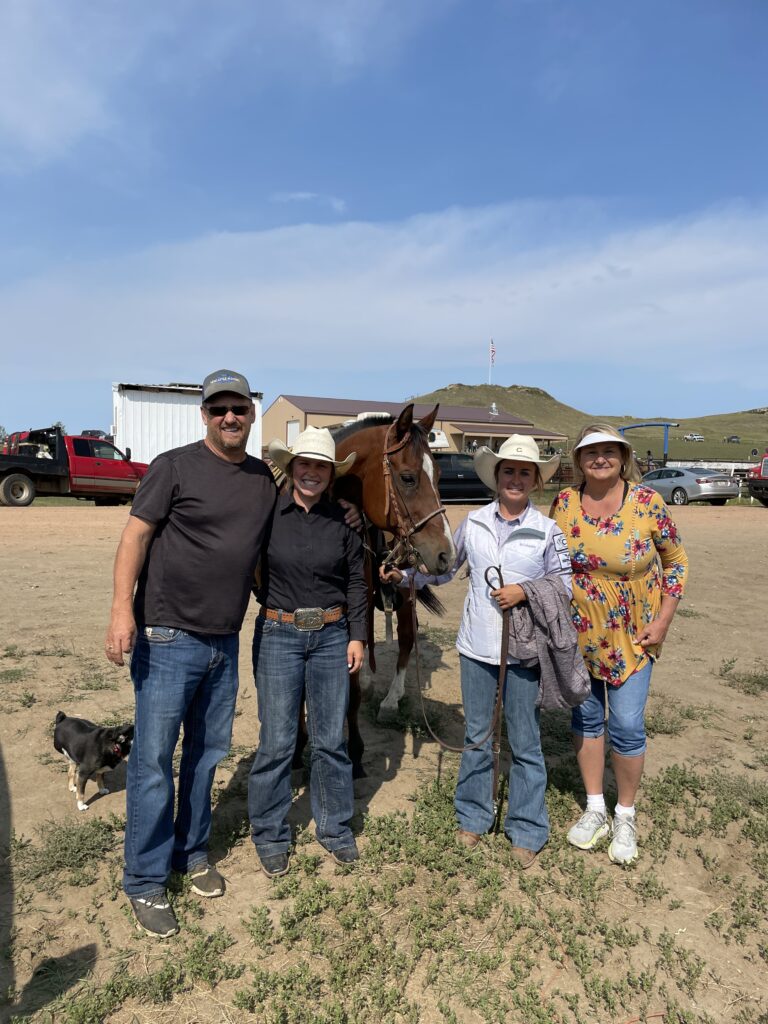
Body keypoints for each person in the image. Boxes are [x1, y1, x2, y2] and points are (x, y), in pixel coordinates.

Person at [105, 368, 278, 938]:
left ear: (252, 414)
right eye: (218, 409)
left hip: (224, 641)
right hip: (167, 636)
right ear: (203, 415)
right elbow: (135, 536)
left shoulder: (261, 480)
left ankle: (191, 851)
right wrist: (121, 610)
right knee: (154, 759)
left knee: (207, 754)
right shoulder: (173, 467)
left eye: (240, 409)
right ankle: (146, 880)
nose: (230, 418)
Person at [381, 435, 577, 868]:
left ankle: (527, 826)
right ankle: (473, 815)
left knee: (524, 741)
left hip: (523, 653)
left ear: (535, 481)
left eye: (525, 472)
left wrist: (523, 591)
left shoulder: (547, 531)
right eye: (509, 471)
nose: (515, 478)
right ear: (496, 476)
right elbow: (446, 572)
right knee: (476, 737)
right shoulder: (475, 522)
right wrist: (406, 578)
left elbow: (563, 587)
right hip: (476, 648)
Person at [550, 424, 689, 865]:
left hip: (635, 633)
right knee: (587, 719)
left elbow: (677, 562)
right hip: (578, 633)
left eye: (609, 451)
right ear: (579, 461)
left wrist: (664, 620)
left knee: (627, 725)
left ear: (623, 457)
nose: (601, 458)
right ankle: (595, 808)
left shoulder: (647, 502)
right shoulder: (564, 503)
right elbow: (547, 558)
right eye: (591, 452)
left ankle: (625, 814)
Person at [247, 427, 366, 877]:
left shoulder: (345, 521)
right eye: (305, 464)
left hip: (333, 635)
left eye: (321, 466)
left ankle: (335, 827)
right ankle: (271, 831)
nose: (312, 473)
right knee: (277, 738)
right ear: (292, 467)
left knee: (331, 737)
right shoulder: (267, 514)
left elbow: (356, 580)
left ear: (331, 474)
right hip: (279, 633)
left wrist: (357, 635)